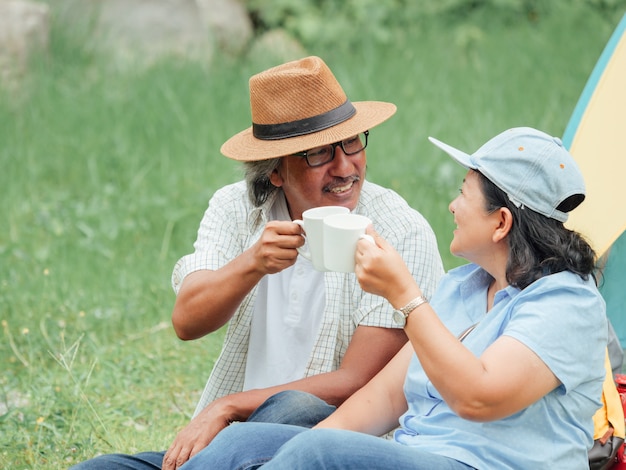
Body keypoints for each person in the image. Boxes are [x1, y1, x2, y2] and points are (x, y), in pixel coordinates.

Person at [71, 56, 444, 470]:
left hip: (328, 446)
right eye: (319, 153)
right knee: (98, 468)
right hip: (230, 447)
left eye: (353, 142)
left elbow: (358, 382)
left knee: (292, 407)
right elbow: (187, 321)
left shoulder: (401, 231)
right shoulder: (236, 208)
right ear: (276, 173)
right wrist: (251, 264)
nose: (345, 166)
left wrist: (227, 407)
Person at [179, 127, 608, 469]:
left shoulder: (566, 305)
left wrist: (404, 295)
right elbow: (383, 398)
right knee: (248, 441)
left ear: (501, 223)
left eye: (463, 192)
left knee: (316, 456)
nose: (451, 205)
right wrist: (286, 449)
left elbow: (478, 397)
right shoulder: (465, 288)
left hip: (477, 464)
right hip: (416, 453)